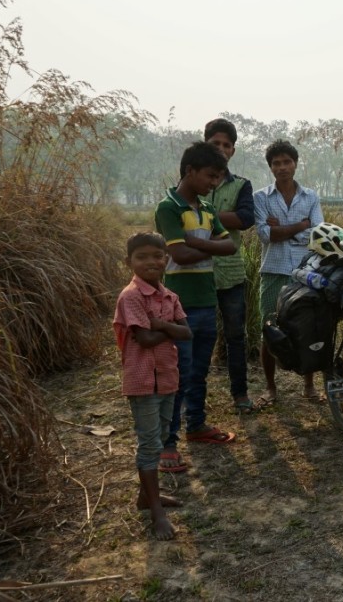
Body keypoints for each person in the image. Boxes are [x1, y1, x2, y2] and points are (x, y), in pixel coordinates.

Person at [154, 142, 238, 467]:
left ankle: (197, 425)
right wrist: (209, 246)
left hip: (206, 299)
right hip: (178, 306)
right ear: (190, 171)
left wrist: (195, 243)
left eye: (218, 177)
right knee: (178, 375)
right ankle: (167, 442)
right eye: (210, 175)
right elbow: (179, 255)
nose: (214, 182)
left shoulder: (206, 208)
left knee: (199, 371)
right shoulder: (168, 207)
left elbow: (230, 246)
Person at [113, 232, 192, 540]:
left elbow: (186, 333)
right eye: (141, 257)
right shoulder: (130, 296)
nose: (150, 262)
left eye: (156, 256)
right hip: (142, 380)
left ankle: (147, 497)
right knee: (149, 444)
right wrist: (167, 329)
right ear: (129, 262)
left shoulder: (169, 296)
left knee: (159, 436)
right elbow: (143, 339)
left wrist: (160, 325)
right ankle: (156, 512)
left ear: (166, 259)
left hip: (167, 377)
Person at [253, 139, 324, 407]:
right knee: (269, 328)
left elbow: (317, 233)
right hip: (273, 270)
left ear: (295, 163)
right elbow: (264, 235)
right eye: (276, 163)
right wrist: (300, 225)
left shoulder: (311, 196)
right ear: (270, 167)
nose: (282, 167)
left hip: (306, 270)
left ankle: (309, 385)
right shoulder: (261, 197)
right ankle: (271, 388)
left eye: (286, 162)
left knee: (309, 328)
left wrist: (282, 229)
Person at [202, 118, 255, 414]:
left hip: (231, 272)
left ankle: (240, 395)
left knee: (236, 335)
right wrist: (226, 216)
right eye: (215, 144)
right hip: (196, 273)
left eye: (226, 145)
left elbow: (246, 219)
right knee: (200, 335)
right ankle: (195, 399)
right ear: (205, 144)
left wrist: (205, 217)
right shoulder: (192, 182)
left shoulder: (242, 185)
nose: (221, 149)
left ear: (233, 151)